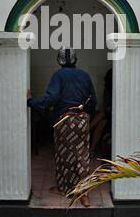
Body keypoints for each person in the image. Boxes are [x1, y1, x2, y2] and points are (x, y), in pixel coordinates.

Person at [27, 47, 97, 207]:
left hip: (64, 121)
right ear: (75, 60)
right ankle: (84, 194)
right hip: (82, 120)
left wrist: (31, 102)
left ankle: (65, 189)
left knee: (64, 156)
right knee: (82, 156)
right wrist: (86, 115)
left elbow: (51, 98)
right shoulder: (84, 75)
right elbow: (93, 101)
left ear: (59, 60)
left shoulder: (58, 75)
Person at [90, 67, 112, 158]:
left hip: (114, 115)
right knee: (101, 124)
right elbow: (106, 104)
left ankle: (85, 130)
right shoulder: (107, 89)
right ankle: (91, 150)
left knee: (102, 116)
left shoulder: (119, 89)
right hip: (108, 114)